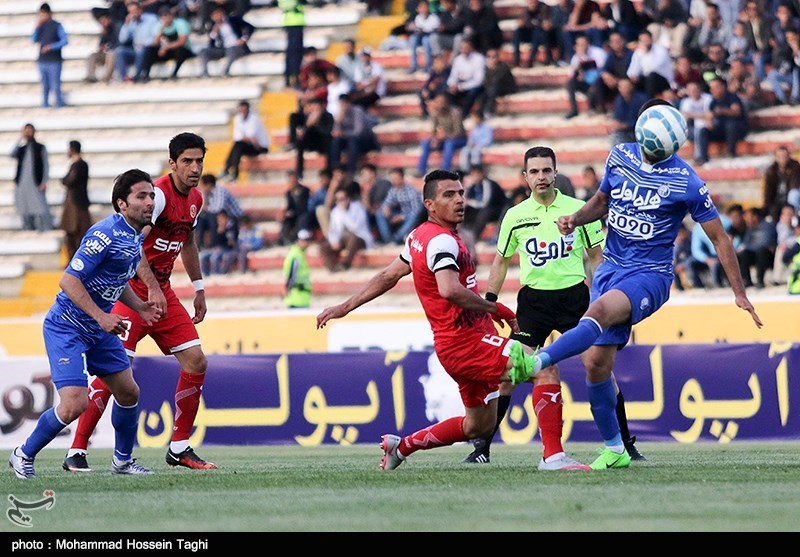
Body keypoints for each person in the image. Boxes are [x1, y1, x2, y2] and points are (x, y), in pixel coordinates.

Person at [511, 100, 763, 470]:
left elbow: (720, 238)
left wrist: (739, 293)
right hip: (611, 268)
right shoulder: (620, 156)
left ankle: (536, 360)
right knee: (596, 364)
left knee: (598, 311)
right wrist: (575, 219)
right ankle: (615, 449)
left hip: (650, 275)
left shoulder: (688, 182)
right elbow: (601, 201)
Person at [316, 169, 545, 471]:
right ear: (430, 204)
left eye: (460, 193)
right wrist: (496, 309)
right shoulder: (441, 242)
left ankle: (401, 447)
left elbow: (388, 276)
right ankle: (554, 457)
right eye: (449, 195)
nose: (459, 200)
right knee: (544, 368)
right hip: (469, 343)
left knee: (479, 426)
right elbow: (449, 289)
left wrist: (345, 307)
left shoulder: (419, 237)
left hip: (456, 346)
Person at [462, 146, 644, 467]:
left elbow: (597, 257)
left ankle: (625, 445)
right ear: (525, 176)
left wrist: (603, 297)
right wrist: (490, 301)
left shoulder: (578, 211)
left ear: (556, 172)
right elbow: (501, 261)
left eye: (546, 170)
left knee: (600, 368)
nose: (541, 177)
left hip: (575, 301)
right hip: (533, 304)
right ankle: (483, 448)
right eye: (534, 171)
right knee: (508, 376)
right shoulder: (515, 216)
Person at [63, 132, 218, 473]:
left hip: (162, 294)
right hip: (130, 293)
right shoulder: (156, 197)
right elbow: (132, 245)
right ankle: (77, 450)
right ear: (172, 163)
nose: (194, 168)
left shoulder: (195, 199)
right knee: (114, 374)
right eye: (187, 161)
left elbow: (188, 243)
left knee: (196, 361)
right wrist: (151, 288)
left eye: (199, 161)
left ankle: (179, 447)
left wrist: (199, 288)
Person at [9, 169, 162, 479]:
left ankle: (122, 462)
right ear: (122, 204)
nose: (149, 202)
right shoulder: (104, 234)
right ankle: (22, 454)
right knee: (74, 405)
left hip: (97, 329)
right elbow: (68, 280)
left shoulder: (134, 235)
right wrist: (102, 316)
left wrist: (139, 306)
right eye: (141, 196)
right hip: (67, 326)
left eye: (151, 195)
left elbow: (116, 279)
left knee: (128, 392)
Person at [11, 123, 53, 232]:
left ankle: (42, 227)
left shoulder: (40, 148)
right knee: (24, 206)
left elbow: (45, 165)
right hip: (22, 182)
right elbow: (12, 154)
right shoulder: (22, 148)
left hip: (35, 181)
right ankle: (27, 227)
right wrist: (20, 139)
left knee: (39, 206)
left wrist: (44, 181)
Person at [197, 5, 255, 77]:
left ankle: (225, 72)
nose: (217, 17)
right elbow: (211, 43)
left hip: (236, 46)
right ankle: (205, 73)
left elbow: (250, 27)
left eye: (218, 14)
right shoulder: (212, 25)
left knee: (232, 50)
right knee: (203, 51)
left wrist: (243, 39)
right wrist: (214, 32)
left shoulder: (233, 20)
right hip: (222, 48)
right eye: (214, 15)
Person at [139, 6, 194, 81]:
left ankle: (174, 74)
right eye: (162, 16)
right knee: (149, 49)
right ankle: (145, 74)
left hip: (183, 51)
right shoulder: (159, 26)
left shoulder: (180, 23)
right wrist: (161, 31)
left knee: (180, 50)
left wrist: (166, 47)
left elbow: (182, 42)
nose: (165, 18)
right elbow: (155, 43)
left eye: (166, 15)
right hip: (166, 51)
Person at [221, 100, 270, 182]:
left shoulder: (254, 119)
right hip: (249, 145)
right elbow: (238, 137)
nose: (243, 112)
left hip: (260, 147)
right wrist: (247, 138)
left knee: (237, 146)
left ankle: (228, 170)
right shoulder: (237, 119)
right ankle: (232, 172)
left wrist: (245, 138)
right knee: (237, 146)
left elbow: (251, 135)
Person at [60, 140, 92, 260]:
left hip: (77, 202)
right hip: (76, 201)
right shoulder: (79, 164)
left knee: (78, 231)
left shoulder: (79, 165)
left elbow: (69, 180)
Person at [32, 3, 68, 109]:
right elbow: (33, 40)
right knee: (45, 86)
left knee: (55, 85)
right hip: (42, 61)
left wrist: (51, 47)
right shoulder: (40, 27)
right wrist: (36, 28)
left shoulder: (57, 26)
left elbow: (65, 41)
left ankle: (59, 105)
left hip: (54, 61)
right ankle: (45, 105)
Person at [86, 10, 120, 83]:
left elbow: (118, 43)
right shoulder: (104, 31)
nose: (103, 23)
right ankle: (91, 76)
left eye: (104, 20)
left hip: (113, 52)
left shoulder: (116, 28)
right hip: (104, 53)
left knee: (110, 55)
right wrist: (102, 47)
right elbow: (101, 44)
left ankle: (106, 78)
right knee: (92, 56)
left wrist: (109, 47)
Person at [283, 229, 312, 308]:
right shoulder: (295, 255)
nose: (307, 243)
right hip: (296, 298)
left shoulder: (300, 254)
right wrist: (287, 290)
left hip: (303, 298)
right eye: (305, 240)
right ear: (298, 241)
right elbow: (291, 276)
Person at [279, 0, 305, 88]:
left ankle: (292, 77)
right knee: (294, 54)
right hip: (293, 23)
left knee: (295, 54)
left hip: (295, 22)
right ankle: (292, 77)